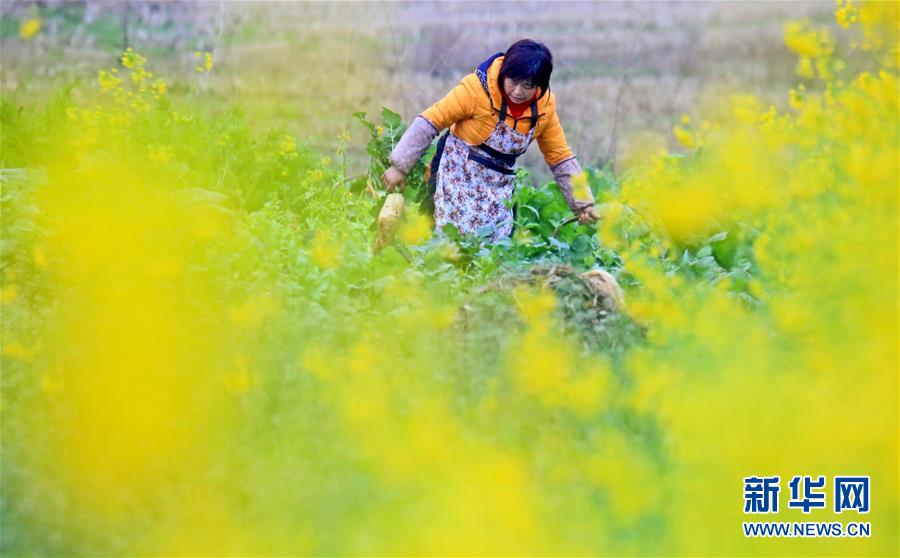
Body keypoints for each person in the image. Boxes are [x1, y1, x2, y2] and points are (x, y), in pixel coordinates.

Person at [381, 39, 599, 243]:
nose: (518, 91)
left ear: (539, 86)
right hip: (456, 175)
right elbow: (430, 121)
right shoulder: (476, 90)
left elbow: (560, 158)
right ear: (504, 73)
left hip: (498, 189)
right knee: (448, 245)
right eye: (513, 81)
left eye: (528, 85)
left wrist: (583, 204)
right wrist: (399, 166)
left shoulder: (544, 109)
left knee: (493, 251)